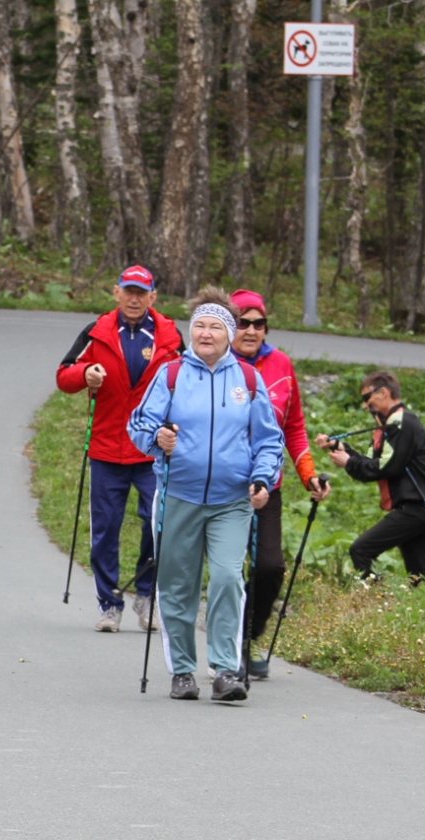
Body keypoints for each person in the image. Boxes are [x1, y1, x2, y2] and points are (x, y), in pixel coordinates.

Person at [129, 287, 284, 702]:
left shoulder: (248, 380)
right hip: (178, 494)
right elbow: (139, 425)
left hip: (231, 500)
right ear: (190, 332)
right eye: (199, 325)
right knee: (178, 584)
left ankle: (224, 670)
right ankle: (182, 670)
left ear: (230, 334)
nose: (206, 333)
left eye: (216, 326)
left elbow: (270, 440)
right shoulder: (171, 375)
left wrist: (262, 478)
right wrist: (155, 438)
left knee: (229, 578)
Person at [55, 265, 182, 633]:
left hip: (152, 451)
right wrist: (85, 375)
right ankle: (110, 603)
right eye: (128, 291)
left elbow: (188, 381)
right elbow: (64, 374)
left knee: (156, 524)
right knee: (105, 530)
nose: (134, 298)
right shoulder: (96, 331)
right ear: (116, 292)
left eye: (142, 293)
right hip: (107, 447)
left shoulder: (170, 336)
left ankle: (146, 594)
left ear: (153, 297)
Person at [228, 289, 330, 679]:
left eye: (259, 323)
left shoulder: (282, 365)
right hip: (225, 486)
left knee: (270, 566)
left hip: (268, 487)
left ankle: (247, 638)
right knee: (230, 570)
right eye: (243, 322)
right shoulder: (219, 364)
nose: (251, 330)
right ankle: (229, 647)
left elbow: (294, 428)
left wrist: (309, 475)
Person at [315, 371, 425, 582]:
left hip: (417, 507)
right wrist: (340, 447)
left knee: (361, 550)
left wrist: (348, 461)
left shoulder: (402, 423)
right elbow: (370, 462)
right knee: (422, 579)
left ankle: (379, 600)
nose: (365, 405)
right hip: (416, 507)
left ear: (383, 392)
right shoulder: (388, 425)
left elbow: (386, 468)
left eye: (368, 398)